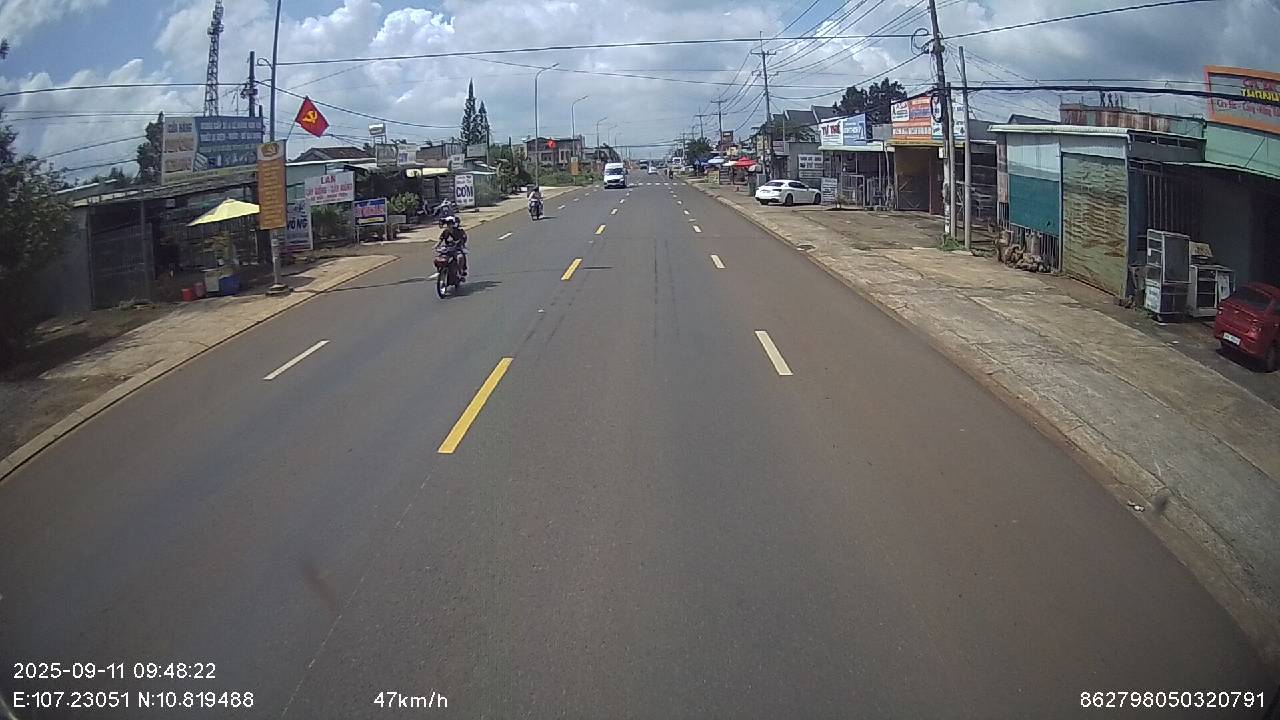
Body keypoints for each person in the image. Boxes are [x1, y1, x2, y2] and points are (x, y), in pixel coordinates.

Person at [437, 215, 468, 280]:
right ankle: (440, 271)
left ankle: (460, 272)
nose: (449, 225)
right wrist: (436, 246)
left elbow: (463, 239)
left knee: (460, 257)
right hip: (447, 250)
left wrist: (459, 243)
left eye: (450, 224)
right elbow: (440, 239)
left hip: (457, 250)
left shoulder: (460, 231)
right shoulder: (445, 232)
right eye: (448, 224)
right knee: (438, 259)